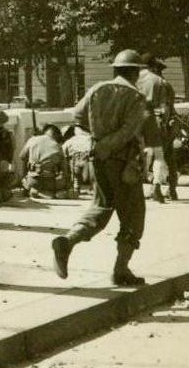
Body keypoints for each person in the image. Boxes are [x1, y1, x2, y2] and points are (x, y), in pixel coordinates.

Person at [51, 49, 150, 287]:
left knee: (101, 206)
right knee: (134, 215)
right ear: (136, 72)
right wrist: (108, 145)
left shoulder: (96, 89)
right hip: (123, 162)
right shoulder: (136, 97)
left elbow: (78, 118)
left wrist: (96, 142)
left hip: (98, 159)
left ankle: (68, 240)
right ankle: (121, 269)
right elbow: (128, 131)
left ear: (116, 69)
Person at [137, 53, 178, 202]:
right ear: (154, 67)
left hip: (134, 123)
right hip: (155, 122)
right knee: (162, 155)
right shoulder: (161, 82)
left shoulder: (133, 79)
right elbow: (166, 107)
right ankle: (157, 188)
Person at [18, 124, 72, 199]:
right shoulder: (57, 145)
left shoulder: (32, 140)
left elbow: (22, 156)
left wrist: (25, 176)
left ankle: (32, 189)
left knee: (27, 180)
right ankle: (48, 193)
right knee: (63, 188)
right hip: (50, 182)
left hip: (33, 180)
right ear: (56, 134)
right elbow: (64, 170)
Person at [62, 124, 94, 195]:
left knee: (76, 177)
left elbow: (63, 150)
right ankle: (93, 189)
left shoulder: (70, 140)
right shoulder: (89, 138)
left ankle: (76, 189)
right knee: (91, 177)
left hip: (74, 159)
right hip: (86, 159)